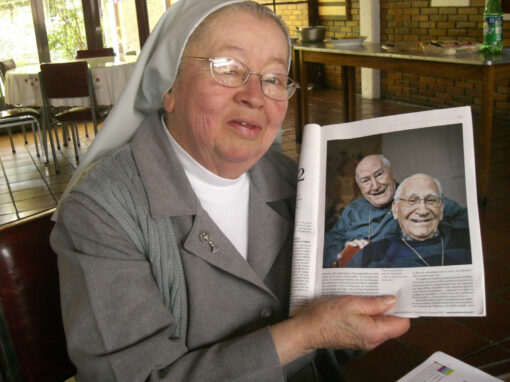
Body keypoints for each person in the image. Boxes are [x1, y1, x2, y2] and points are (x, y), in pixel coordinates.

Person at [50, 1, 410, 380]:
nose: (255, 96)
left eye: (273, 78)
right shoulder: (100, 211)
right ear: (168, 89)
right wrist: (307, 334)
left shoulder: (293, 180)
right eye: (228, 69)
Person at [323, 154, 468, 268]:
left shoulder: (418, 195)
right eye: (366, 181)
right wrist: (337, 258)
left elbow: (465, 220)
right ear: (359, 186)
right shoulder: (353, 209)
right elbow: (333, 238)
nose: (375, 186)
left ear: (392, 173)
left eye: (379, 175)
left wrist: (431, 230)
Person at [346, 173, 471, 268]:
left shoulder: (467, 240)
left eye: (431, 200)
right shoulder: (373, 252)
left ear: (441, 208)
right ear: (395, 210)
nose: (423, 210)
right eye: (412, 200)